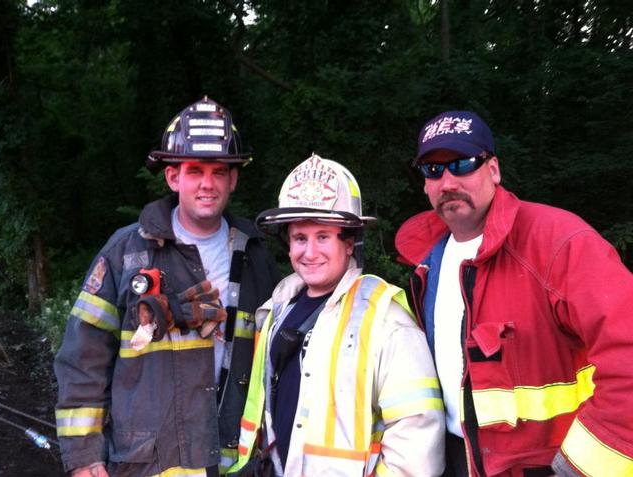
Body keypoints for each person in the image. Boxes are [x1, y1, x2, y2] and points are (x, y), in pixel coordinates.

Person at [395, 111, 633, 477]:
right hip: (455, 460)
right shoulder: (426, 265)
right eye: (432, 170)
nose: (447, 181)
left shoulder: (559, 243)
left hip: (549, 465)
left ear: (493, 170)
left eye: (461, 164)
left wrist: (575, 471)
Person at [54, 96, 281, 477]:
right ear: (173, 177)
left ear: (233, 179)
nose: (207, 184)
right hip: (147, 461)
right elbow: (83, 357)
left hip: (234, 461)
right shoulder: (126, 253)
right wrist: (84, 456)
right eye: (195, 171)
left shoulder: (255, 253)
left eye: (219, 172)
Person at [228, 153, 445, 477]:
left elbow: (417, 442)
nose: (309, 252)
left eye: (323, 237)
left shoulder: (385, 319)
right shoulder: (277, 309)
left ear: (349, 243)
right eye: (300, 238)